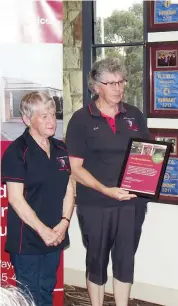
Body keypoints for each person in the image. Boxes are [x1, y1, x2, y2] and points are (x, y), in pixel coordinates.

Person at [66, 57, 151, 306]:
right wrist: (106, 190)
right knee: (97, 262)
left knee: (125, 261)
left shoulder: (134, 115)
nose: (118, 88)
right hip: (96, 204)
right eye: (111, 83)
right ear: (96, 86)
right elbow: (75, 168)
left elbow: (147, 154)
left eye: (121, 82)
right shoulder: (81, 119)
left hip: (131, 204)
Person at [1, 92, 74, 306]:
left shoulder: (61, 148)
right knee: (29, 295)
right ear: (27, 119)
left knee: (47, 289)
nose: (52, 120)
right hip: (29, 239)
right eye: (44, 116)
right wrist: (44, 231)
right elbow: (15, 199)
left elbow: (69, 187)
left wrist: (64, 222)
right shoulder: (17, 151)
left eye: (53, 114)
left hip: (56, 234)